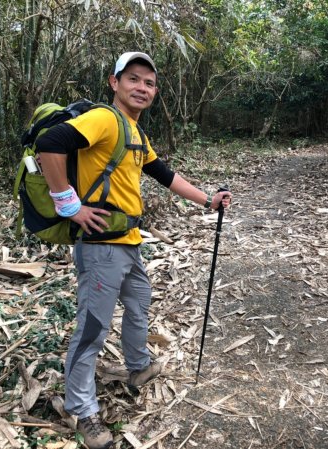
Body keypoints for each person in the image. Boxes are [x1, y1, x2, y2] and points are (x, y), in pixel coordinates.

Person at [36, 51, 232, 449]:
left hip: (128, 243)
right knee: (92, 329)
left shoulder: (135, 133)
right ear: (114, 83)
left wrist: (207, 199)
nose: (142, 88)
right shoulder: (105, 119)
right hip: (101, 247)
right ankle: (81, 409)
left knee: (140, 301)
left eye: (149, 83)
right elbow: (49, 142)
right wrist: (67, 203)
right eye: (134, 79)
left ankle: (138, 367)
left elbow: (165, 175)